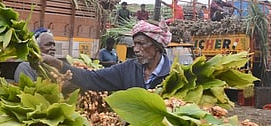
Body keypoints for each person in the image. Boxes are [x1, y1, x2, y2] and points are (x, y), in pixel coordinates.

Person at [41, 20, 172, 91]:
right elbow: (91, 78)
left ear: (157, 46)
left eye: (141, 44)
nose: (136, 50)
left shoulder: (173, 75)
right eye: (135, 44)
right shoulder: (127, 69)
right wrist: (56, 63)